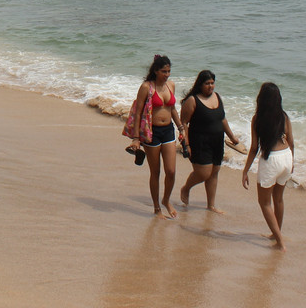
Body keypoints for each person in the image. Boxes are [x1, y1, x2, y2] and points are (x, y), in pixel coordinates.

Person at [125, 54, 185, 219]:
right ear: (156, 71)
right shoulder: (146, 87)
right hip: (151, 133)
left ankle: (166, 200)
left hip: (168, 131)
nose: (167, 75)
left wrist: (181, 128)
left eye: (169, 71)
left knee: (171, 171)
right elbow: (138, 113)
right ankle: (157, 208)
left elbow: (172, 109)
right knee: (156, 172)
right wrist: (136, 138)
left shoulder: (170, 85)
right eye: (164, 71)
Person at [242, 82, 295, 251]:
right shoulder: (284, 116)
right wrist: (293, 162)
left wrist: (245, 171)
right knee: (278, 199)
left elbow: (254, 148)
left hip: (271, 160)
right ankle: (276, 233)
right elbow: (292, 142)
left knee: (264, 203)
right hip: (286, 156)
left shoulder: (257, 119)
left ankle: (280, 242)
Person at [180, 69, 241, 213]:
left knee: (214, 172)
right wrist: (186, 144)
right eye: (207, 83)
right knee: (203, 173)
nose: (211, 86)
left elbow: (222, 119)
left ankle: (211, 205)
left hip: (217, 140)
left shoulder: (217, 97)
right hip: (199, 141)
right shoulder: (192, 100)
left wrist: (232, 137)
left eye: (212, 83)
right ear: (200, 84)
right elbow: (184, 124)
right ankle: (186, 188)